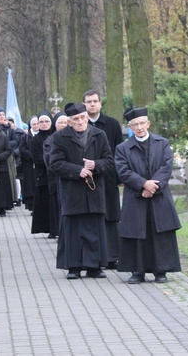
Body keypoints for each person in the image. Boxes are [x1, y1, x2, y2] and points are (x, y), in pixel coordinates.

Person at [115, 107, 182, 284]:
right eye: (135, 125)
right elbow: (123, 171)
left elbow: (166, 167)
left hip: (159, 197)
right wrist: (143, 184)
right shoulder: (123, 148)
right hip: (135, 198)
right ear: (130, 127)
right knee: (137, 234)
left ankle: (161, 271)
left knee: (159, 233)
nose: (139, 127)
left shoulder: (162, 143)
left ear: (148, 124)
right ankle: (137, 271)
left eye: (142, 123)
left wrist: (152, 186)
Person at [49, 103, 114, 280]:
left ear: (87, 117)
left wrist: (96, 165)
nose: (80, 122)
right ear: (69, 122)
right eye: (76, 119)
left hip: (94, 191)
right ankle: (74, 266)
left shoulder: (99, 135)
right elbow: (55, 163)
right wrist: (77, 171)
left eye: (83, 118)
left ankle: (95, 266)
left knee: (94, 229)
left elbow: (109, 160)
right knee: (73, 231)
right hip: (72, 192)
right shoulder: (60, 137)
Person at [83, 89, 123, 270]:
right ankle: (94, 256)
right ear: (84, 104)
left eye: (95, 101)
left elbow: (119, 151)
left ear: (100, 103)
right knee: (91, 216)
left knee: (111, 216)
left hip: (108, 177)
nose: (92, 104)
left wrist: (120, 176)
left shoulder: (112, 124)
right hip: (86, 178)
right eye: (89, 101)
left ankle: (113, 255)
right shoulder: (80, 124)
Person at [30, 112, 53, 236]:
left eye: (47, 122)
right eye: (41, 122)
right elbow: (37, 158)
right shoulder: (35, 140)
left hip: (55, 175)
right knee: (44, 202)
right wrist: (53, 164)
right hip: (43, 174)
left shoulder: (56, 136)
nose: (44, 124)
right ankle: (47, 227)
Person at [19, 116, 39, 212]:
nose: (36, 126)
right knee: (30, 185)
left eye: (37, 124)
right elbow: (22, 149)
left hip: (40, 163)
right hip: (29, 164)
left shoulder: (42, 135)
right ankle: (31, 205)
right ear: (30, 125)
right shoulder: (25, 137)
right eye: (34, 124)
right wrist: (32, 155)